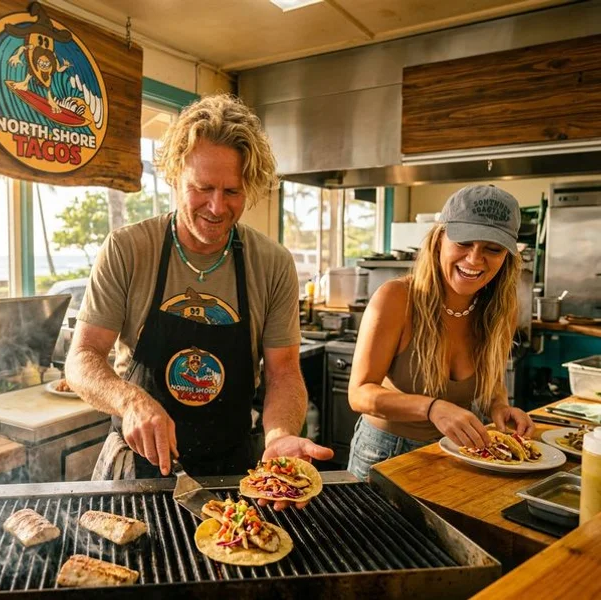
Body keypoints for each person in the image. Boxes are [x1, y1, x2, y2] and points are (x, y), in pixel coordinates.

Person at [65, 94, 333, 501]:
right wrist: (131, 400)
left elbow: (283, 373)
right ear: (174, 176)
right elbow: (82, 357)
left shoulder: (272, 263)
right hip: (138, 467)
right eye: (202, 188)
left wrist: (279, 437)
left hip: (236, 469)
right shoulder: (128, 249)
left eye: (232, 192)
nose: (216, 207)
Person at [347, 184, 535, 481]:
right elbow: (359, 394)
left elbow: (492, 380)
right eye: (463, 243)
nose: (474, 259)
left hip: (459, 452)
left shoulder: (501, 312)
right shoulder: (397, 298)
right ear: (438, 241)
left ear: (507, 257)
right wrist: (432, 408)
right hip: (384, 454)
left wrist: (500, 406)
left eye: (493, 248)